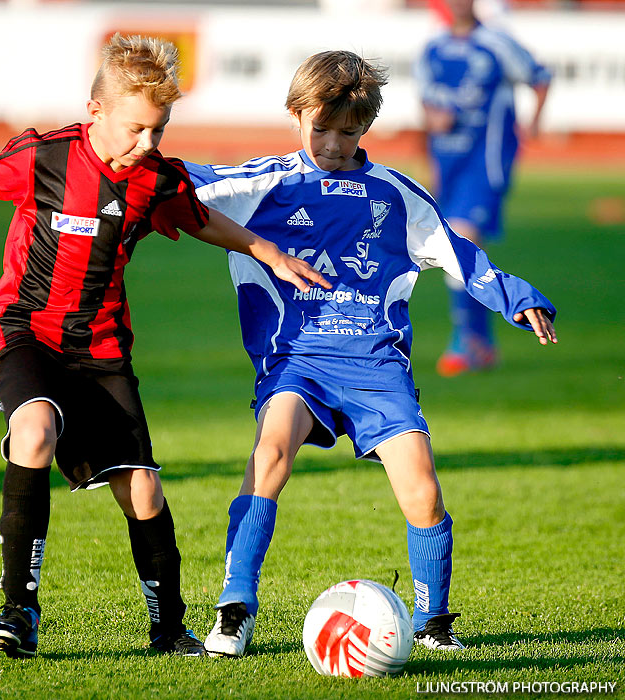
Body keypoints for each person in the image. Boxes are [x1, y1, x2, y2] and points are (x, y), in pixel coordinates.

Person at [0, 34, 329, 659]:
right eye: (137, 129)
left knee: (141, 490)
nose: (148, 145)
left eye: (160, 130)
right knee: (34, 433)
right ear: (97, 112)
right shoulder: (44, 158)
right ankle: (19, 610)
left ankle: (169, 628)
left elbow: (197, 219)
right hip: (24, 331)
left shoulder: (155, 178)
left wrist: (265, 249)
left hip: (102, 348)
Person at [183, 49, 557, 657]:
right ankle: (234, 608)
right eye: (321, 129)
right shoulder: (261, 183)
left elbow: (456, 253)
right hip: (296, 359)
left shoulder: (394, 195)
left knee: (424, 490)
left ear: (366, 128)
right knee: (271, 452)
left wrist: (514, 297)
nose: (332, 143)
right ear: (295, 114)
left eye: (347, 132)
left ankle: (434, 622)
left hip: (376, 363)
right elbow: (168, 180)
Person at [415, 0, 551, 376]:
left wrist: (534, 121)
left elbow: (540, 76)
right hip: (448, 164)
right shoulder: (432, 49)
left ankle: (467, 341)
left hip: (485, 162)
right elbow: (426, 104)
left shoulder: (495, 42)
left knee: (462, 238)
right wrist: (433, 126)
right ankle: (483, 343)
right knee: (463, 247)